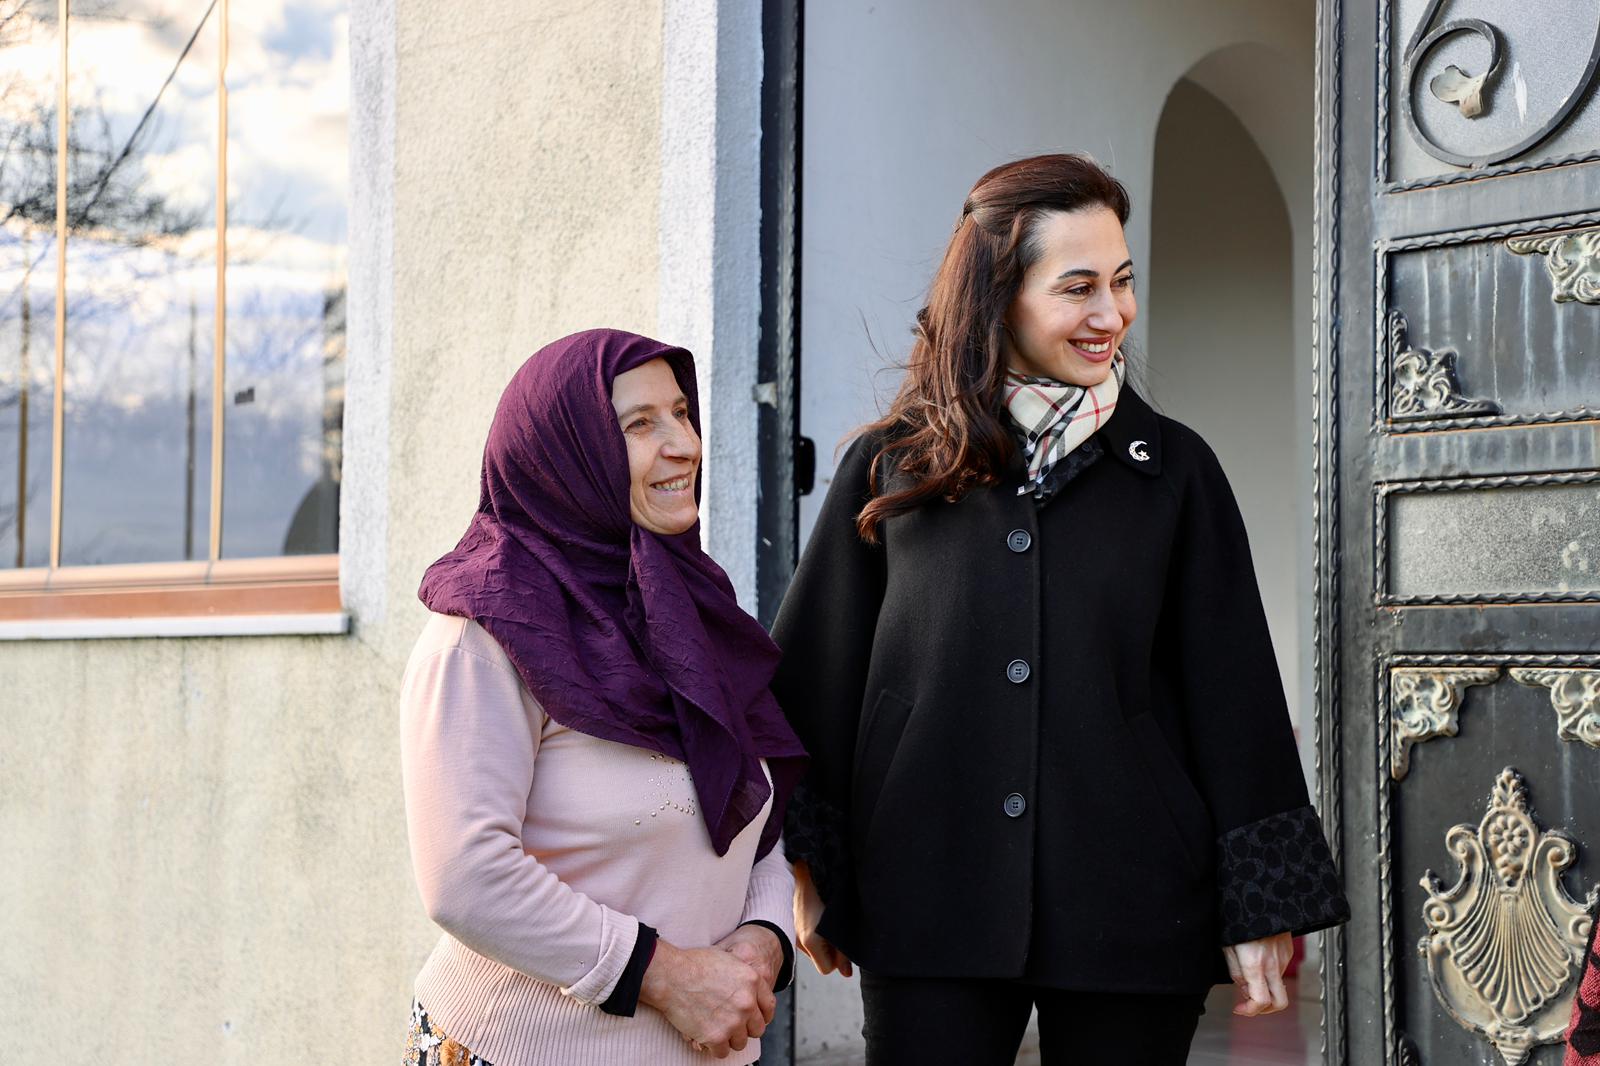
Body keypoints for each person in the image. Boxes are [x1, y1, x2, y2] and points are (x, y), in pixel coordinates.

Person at [772, 153, 1351, 1065]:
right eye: (1078, 287)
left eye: (1122, 282)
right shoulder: (893, 467)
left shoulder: (1176, 473)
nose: (1112, 314)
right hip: (928, 890)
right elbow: (814, 678)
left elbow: (1234, 693)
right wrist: (808, 866)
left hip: (1135, 897)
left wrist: (1260, 903)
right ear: (997, 297)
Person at [399, 329, 807, 1065]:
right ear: (567, 454)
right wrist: (666, 976)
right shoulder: (482, 635)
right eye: (640, 424)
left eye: (680, 413)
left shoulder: (691, 613)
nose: (684, 445)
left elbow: (754, 805)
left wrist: (764, 936)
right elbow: (466, 878)